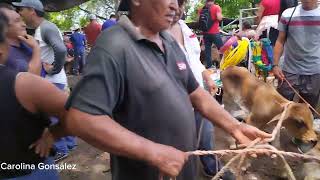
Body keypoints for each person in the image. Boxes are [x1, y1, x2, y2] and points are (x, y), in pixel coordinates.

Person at [64, 0, 271, 180]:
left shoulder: (167, 40)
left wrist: (235, 126)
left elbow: (196, 93)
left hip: (182, 169)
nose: (176, 6)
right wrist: (152, 152)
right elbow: (82, 118)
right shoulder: (113, 45)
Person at [168, 1, 234, 178]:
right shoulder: (155, 34)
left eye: (181, 2)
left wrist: (206, 77)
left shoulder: (184, 28)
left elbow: (195, 60)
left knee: (205, 135)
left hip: (198, 93)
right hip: (175, 102)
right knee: (180, 146)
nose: (177, 7)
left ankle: (212, 168)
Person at [0, 11, 67, 180]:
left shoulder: (24, 45)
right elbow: (30, 82)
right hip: (20, 154)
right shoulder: (10, 54)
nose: (23, 23)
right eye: (16, 21)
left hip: (33, 138)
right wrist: (37, 51)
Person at [13, 0, 76, 161]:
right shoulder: (41, 28)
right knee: (61, 111)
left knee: (51, 115)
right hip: (52, 78)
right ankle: (70, 143)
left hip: (52, 79)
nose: (19, 13)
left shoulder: (46, 27)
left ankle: (61, 148)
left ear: (32, 10)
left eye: (21, 9)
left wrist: (54, 68)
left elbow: (61, 49)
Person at [273, 0, 320, 112]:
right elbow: (280, 41)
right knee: (280, 107)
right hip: (289, 71)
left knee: (307, 111)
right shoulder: (288, 14)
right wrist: (275, 65)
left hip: (314, 72)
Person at [0, 3, 41, 75]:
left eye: (22, 20)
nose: (24, 24)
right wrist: (36, 49)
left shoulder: (27, 43)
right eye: (17, 21)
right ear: (3, 26)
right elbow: (31, 79)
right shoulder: (3, 52)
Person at [200, 0, 223, 68]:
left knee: (208, 51)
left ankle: (209, 67)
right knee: (222, 49)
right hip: (215, 33)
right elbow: (219, 18)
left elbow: (198, 20)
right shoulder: (216, 7)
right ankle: (223, 64)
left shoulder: (202, 9)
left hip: (205, 33)